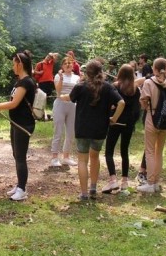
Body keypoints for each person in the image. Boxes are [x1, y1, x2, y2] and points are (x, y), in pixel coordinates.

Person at [60, 60, 124, 200]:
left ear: (87, 73)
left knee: (82, 160)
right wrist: (114, 119)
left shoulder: (81, 86)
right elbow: (121, 102)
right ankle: (93, 188)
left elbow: (69, 98)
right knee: (95, 157)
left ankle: (83, 194)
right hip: (100, 129)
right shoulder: (107, 87)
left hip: (83, 128)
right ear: (100, 72)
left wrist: (61, 96)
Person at [0, 51, 36, 201]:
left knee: (20, 157)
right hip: (15, 123)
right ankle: (20, 184)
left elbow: (14, 103)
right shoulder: (19, 81)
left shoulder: (26, 82)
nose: (12, 66)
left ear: (20, 64)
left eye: (14, 63)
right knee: (16, 155)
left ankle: (22, 189)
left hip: (23, 125)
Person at [138, 58, 166, 193]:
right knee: (159, 152)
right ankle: (155, 182)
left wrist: (147, 106)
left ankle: (150, 183)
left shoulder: (149, 82)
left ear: (154, 69)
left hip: (152, 116)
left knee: (149, 151)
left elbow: (143, 100)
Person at [103, 63, 141, 193]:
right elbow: (137, 109)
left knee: (109, 151)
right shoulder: (136, 90)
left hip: (115, 122)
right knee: (124, 151)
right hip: (128, 124)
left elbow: (110, 104)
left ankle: (113, 179)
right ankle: (125, 181)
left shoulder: (115, 87)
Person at [51, 57, 80, 167]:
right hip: (60, 104)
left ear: (73, 65)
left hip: (72, 105)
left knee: (70, 132)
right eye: (65, 63)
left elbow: (78, 91)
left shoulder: (77, 77)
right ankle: (54, 157)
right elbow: (58, 91)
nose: (68, 65)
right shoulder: (58, 76)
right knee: (58, 130)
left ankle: (66, 157)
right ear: (62, 66)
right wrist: (62, 78)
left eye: (70, 63)